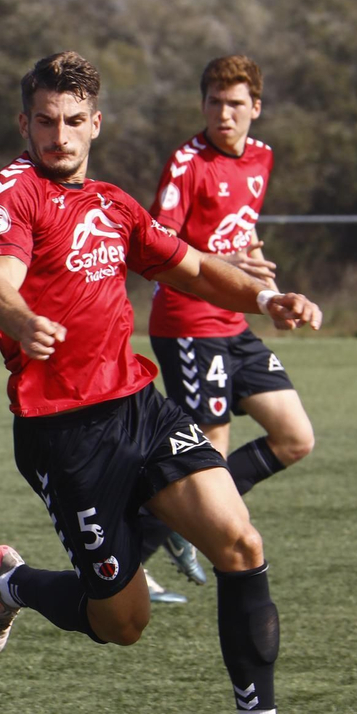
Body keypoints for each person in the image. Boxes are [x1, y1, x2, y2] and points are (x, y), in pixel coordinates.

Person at [0, 51, 355, 714]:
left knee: (239, 541)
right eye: (45, 121)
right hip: (65, 435)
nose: (60, 136)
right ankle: (11, 585)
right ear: (25, 123)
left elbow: (195, 269)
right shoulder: (12, 195)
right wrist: (19, 319)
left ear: (96, 125)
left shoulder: (112, 204)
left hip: (140, 408)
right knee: (124, 624)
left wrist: (268, 299)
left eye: (74, 122)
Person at [134, 56, 316, 601]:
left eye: (235, 103)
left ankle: (173, 514)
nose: (224, 113)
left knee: (295, 438)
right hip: (188, 322)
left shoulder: (261, 158)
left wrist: (266, 285)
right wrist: (230, 260)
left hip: (235, 324)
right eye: (214, 102)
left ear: (255, 108)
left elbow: (244, 230)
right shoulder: (187, 163)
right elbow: (159, 244)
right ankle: (133, 559)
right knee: (205, 449)